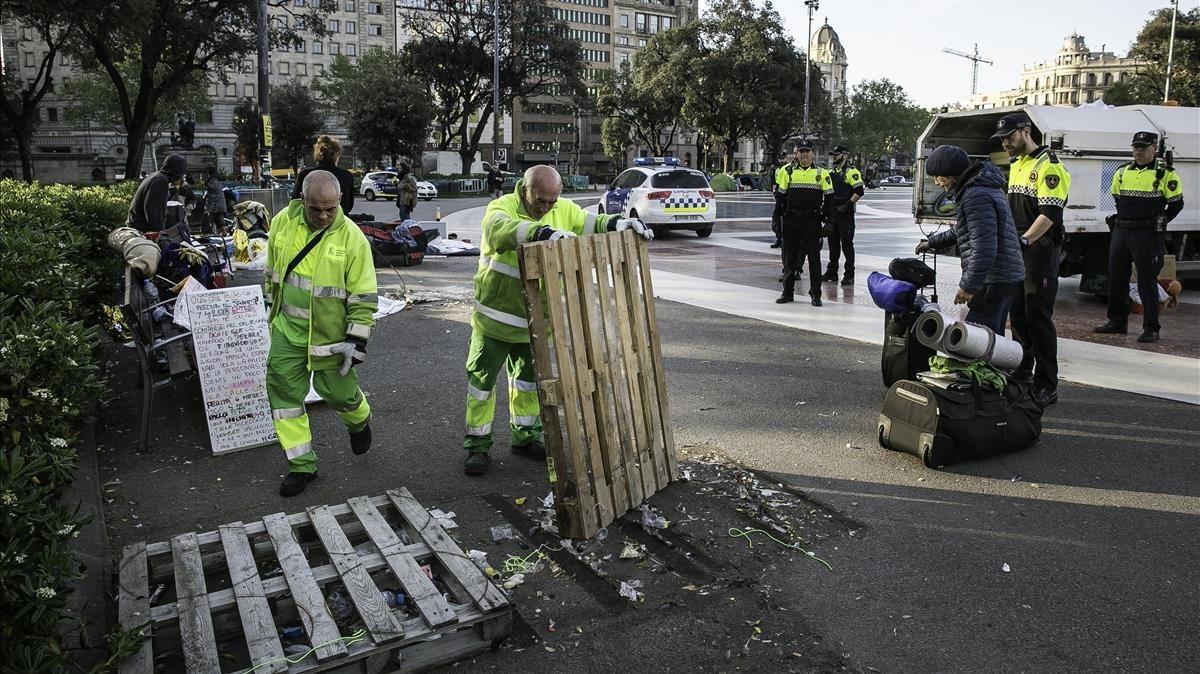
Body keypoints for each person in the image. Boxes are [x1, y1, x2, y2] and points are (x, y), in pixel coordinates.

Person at [462, 165, 653, 476]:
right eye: (540, 201)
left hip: (535, 324)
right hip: (495, 321)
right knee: (481, 386)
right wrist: (540, 233)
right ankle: (477, 447)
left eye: (552, 201)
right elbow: (499, 230)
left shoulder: (563, 209)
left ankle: (525, 437)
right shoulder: (501, 207)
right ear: (525, 191)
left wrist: (621, 223)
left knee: (527, 385)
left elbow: (592, 222)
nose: (547, 208)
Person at [263, 170, 378, 497]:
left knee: (338, 394)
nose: (324, 215)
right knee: (284, 399)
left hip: (332, 338)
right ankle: (302, 465)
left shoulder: (352, 239)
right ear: (302, 199)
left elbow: (364, 296)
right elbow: (272, 272)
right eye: (316, 209)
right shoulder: (283, 223)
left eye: (331, 208)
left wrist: (356, 340)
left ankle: (360, 421)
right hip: (287, 332)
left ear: (340, 201)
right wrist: (269, 313)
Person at [991, 112, 1071, 407]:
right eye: (1002, 139)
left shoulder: (1048, 166)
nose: (1005, 143)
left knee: (1039, 318)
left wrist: (1025, 240)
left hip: (1039, 250)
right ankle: (1023, 371)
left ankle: (1047, 384)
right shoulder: (1017, 165)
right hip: (1018, 249)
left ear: (1025, 132)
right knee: (1019, 315)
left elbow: (1049, 214)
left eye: (1009, 137)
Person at [916, 146, 1024, 334]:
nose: (937, 182)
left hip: (993, 279)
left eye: (938, 177)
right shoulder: (981, 187)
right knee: (991, 339)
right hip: (1002, 276)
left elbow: (984, 246)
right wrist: (932, 242)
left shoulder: (976, 195)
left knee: (976, 340)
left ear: (951, 174)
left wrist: (968, 285)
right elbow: (964, 229)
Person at [1093, 131, 1186, 343]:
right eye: (1136, 146)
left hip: (1147, 233)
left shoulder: (1166, 174)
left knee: (1147, 280)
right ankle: (1117, 322)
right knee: (1116, 277)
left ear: (1155, 148)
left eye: (1144, 147)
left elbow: (1176, 204)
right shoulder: (1122, 172)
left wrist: (1160, 221)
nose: (1139, 150)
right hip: (1122, 230)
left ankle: (1151, 328)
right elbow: (1117, 199)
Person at [776, 141, 833, 306]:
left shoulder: (822, 173)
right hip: (791, 219)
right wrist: (776, 219)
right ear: (797, 154)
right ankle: (787, 293)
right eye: (801, 152)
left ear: (812, 153)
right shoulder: (788, 172)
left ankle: (816, 295)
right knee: (789, 259)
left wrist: (830, 222)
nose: (804, 155)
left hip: (812, 220)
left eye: (807, 151)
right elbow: (780, 198)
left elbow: (829, 199)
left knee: (814, 260)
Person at [822, 144, 865, 285]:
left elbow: (859, 191)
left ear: (845, 155)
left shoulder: (851, 172)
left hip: (845, 214)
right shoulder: (831, 172)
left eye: (837, 154)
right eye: (833, 154)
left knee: (847, 245)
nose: (834, 157)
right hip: (833, 213)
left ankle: (849, 274)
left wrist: (847, 205)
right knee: (833, 244)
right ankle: (832, 272)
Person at [292, 135, 356, 215]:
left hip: (310, 225)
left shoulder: (305, 174)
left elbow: (294, 203)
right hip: (339, 224)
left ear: (317, 155)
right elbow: (349, 206)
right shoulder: (346, 176)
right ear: (336, 155)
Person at [127, 154, 187, 233]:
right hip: (142, 228)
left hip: (138, 224)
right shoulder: (161, 181)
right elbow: (153, 211)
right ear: (178, 171)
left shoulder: (156, 176)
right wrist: (160, 233)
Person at [203, 166, 227, 235]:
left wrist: (205, 184)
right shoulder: (217, 179)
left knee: (208, 220)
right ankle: (224, 234)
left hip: (215, 206)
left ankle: (208, 236)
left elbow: (213, 188)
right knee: (220, 222)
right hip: (219, 205)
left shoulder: (213, 180)